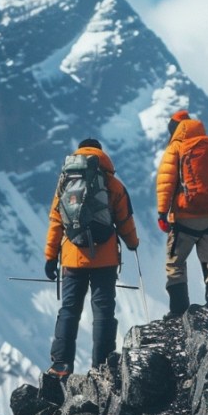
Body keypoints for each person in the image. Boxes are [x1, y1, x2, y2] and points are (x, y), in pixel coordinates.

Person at [44, 138, 139, 377]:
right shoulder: (112, 183)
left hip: (73, 259)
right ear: (100, 154)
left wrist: (50, 256)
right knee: (103, 311)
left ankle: (61, 364)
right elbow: (124, 219)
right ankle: (102, 365)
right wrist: (132, 243)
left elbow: (57, 221)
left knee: (69, 310)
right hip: (104, 260)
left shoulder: (65, 183)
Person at [156, 110, 208, 318]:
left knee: (176, 264)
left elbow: (165, 183)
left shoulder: (176, 148)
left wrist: (162, 213)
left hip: (184, 218)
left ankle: (179, 310)